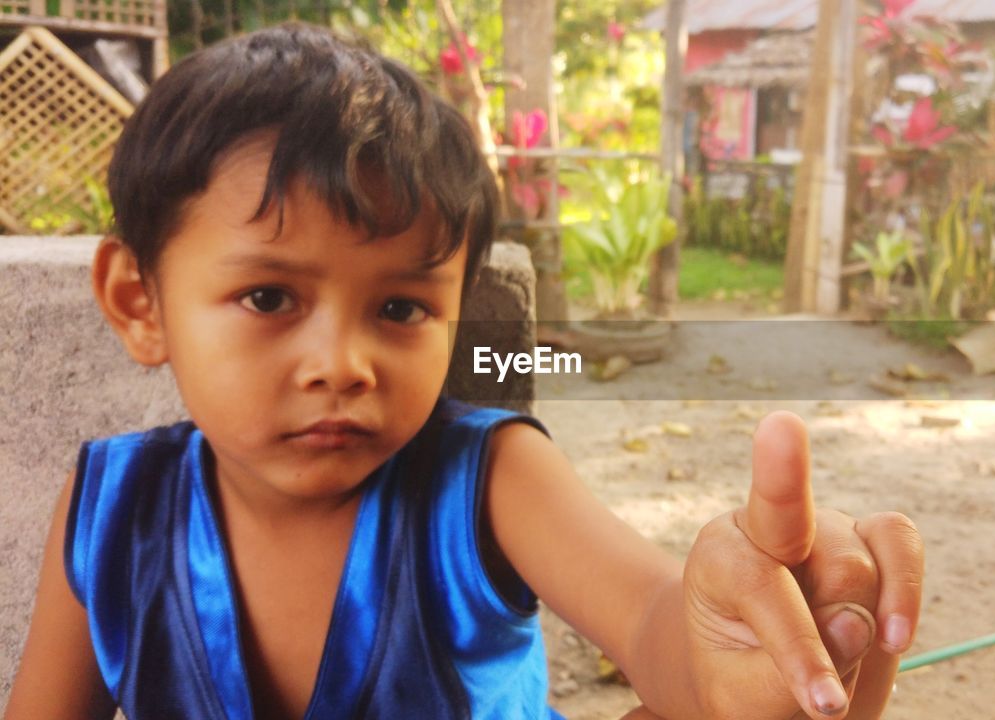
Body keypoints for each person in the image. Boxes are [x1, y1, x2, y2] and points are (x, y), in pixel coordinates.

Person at [3, 24, 923, 720]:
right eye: (270, 298)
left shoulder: (485, 481)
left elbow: (653, 624)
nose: (342, 365)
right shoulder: (110, 508)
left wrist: (732, 650)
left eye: (400, 309)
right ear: (138, 301)